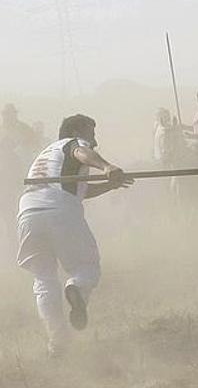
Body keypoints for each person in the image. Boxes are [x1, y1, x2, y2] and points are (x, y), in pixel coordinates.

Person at [17, 114, 133, 356]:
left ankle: (57, 343)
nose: (95, 141)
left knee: (44, 279)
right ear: (78, 132)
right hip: (59, 209)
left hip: (28, 212)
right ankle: (77, 288)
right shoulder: (72, 144)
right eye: (92, 133)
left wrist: (109, 185)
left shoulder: (48, 155)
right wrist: (106, 167)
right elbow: (81, 153)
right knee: (86, 266)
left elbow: (79, 190)